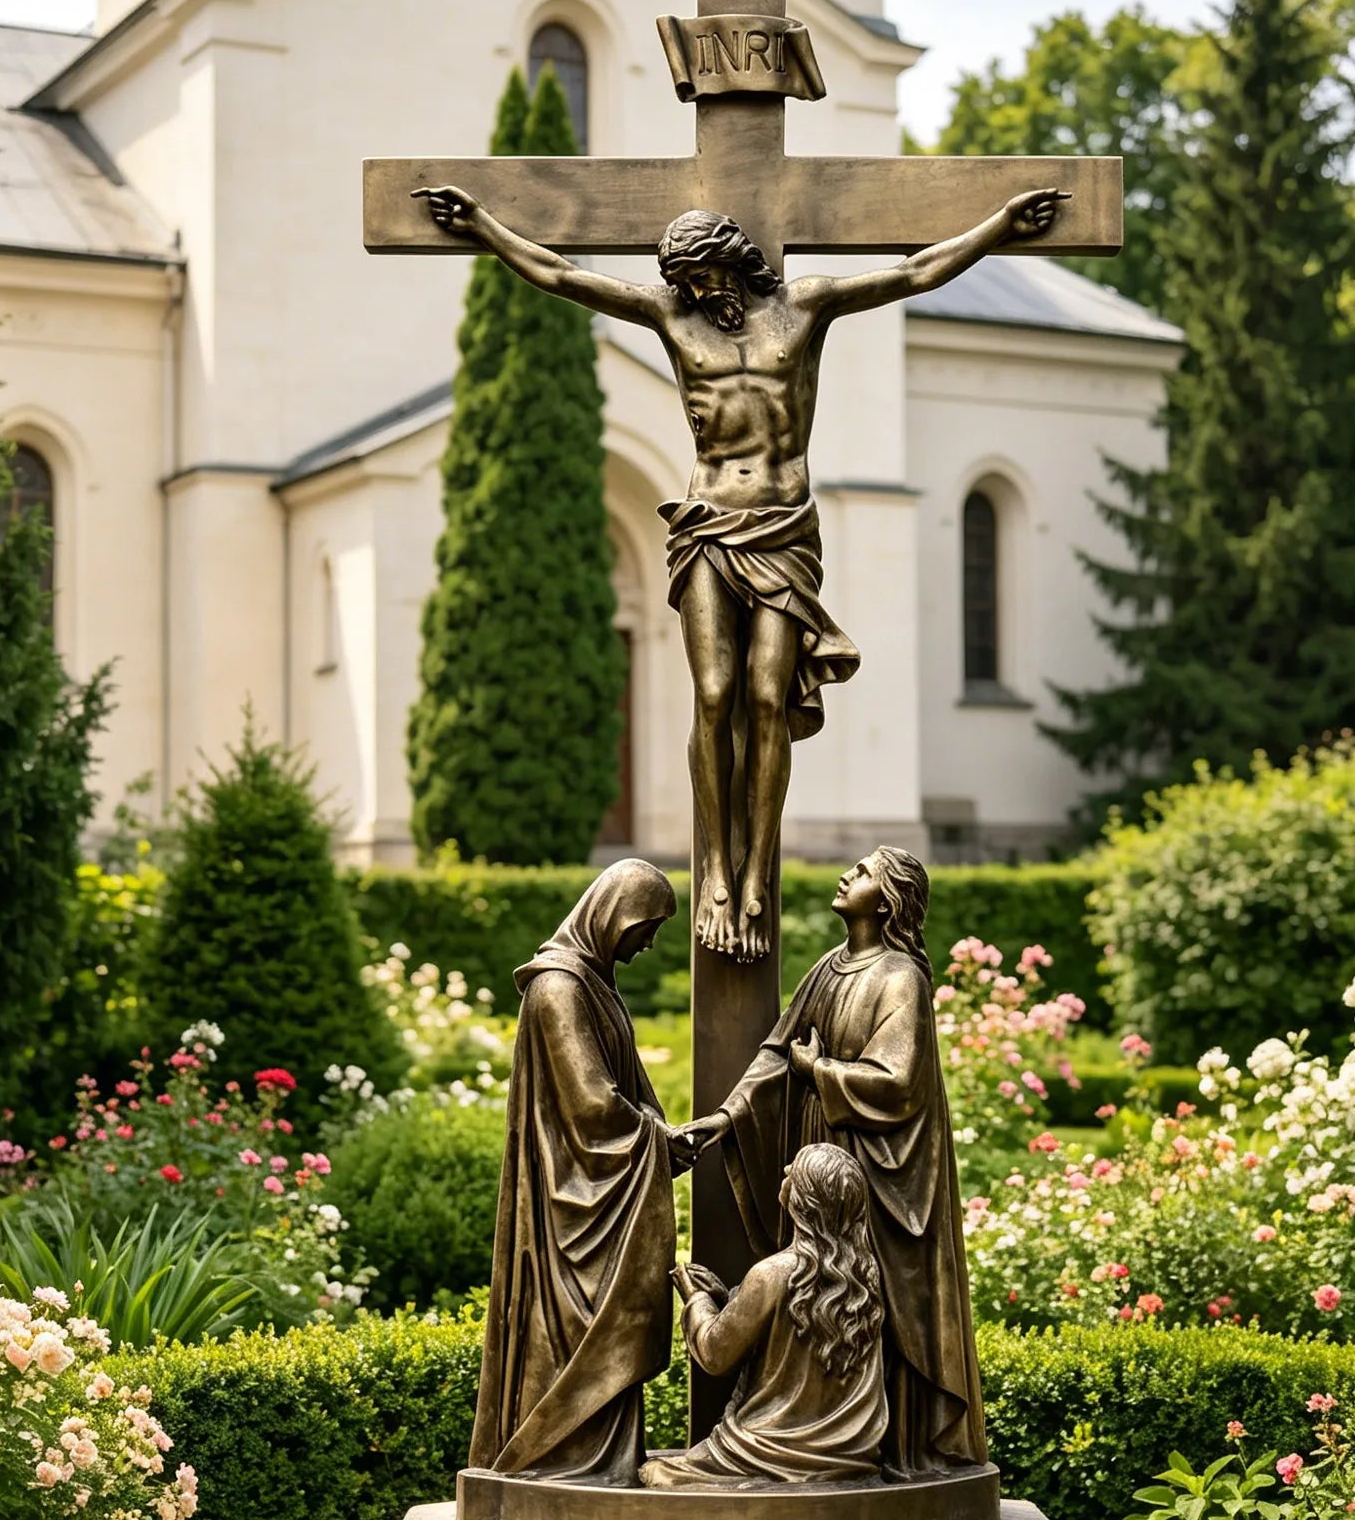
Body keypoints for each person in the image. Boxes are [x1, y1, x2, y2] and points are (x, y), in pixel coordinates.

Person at [413, 182, 1068, 964]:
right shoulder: (671, 316)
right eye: (687, 284)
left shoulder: (806, 306)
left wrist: (996, 226)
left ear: (736, 261)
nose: (701, 295)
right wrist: (486, 227)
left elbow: (914, 272)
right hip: (706, 524)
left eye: (708, 278)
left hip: (785, 525)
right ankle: (715, 870)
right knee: (714, 693)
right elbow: (564, 277)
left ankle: (759, 870)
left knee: (765, 697)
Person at [674, 848, 986, 1473]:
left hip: (880, 1171)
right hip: (822, 1158)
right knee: (821, 1294)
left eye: (865, 872)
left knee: (880, 1299)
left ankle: (899, 1448)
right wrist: (725, 1118)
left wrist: (819, 1070)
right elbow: (774, 1055)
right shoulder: (828, 969)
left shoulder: (902, 977)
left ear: (889, 900)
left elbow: (898, 1081)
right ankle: (811, 1433)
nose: (848, 875)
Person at [470, 859, 683, 1484]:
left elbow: (624, 1094)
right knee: (578, 1330)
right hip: (573, 1205)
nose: (646, 945)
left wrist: (666, 1138)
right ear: (614, 916)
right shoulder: (559, 988)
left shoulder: (595, 983)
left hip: (600, 1190)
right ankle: (558, 1464)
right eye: (645, 929)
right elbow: (593, 1104)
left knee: (604, 1333)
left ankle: (602, 1465)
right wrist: (658, 1139)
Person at [640, 1142, 886, 1488]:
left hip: (766, 1448)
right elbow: (793, 1332)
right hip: (850, 1453)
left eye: (795, 1170)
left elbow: (714, 1353)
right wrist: (729, 1299)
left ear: (806, 1200)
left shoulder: (771, 1274)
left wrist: (695, 1299)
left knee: (655, 1473)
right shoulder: (863, 1276)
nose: (786, 1171)